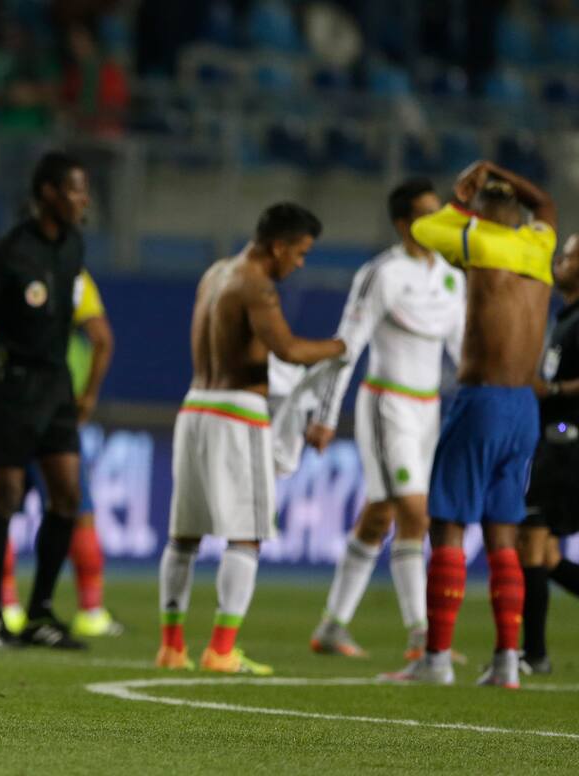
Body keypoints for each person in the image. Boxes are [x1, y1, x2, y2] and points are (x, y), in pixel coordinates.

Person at [381, 160, 556, 689]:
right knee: (503, 531)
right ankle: (507, 661)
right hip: (525, 408)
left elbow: (421, 229)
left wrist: (461, 199)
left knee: (448, 525)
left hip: (481, 402)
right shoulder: (540, 248)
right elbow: (545, 203)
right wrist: (499, 172)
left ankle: (436, 660)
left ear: (482, 215)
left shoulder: (478, 243)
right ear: (521, 214)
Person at [157, 203, 345, 675]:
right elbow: (290, 350)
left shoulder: (216, 274)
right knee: (247, 537)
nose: (299, 263)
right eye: (299, 253)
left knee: (184, 536)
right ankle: (221, 650)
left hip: (195, 407)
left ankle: (172, 646)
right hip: (237, 416)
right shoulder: (256, 285)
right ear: (277, 246)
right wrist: (341, 347)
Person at [305, 178, 466, 660]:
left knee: (379, 515)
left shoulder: (452, 279)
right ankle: (422, 636)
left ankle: (332, 626)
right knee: (416, 512)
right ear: (403, 223)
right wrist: (326, 416)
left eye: (440, 213)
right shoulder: (382, 275)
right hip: (387, 405)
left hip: (429, 409)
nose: (437, 222)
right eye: (426, 214)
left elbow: (462, 353)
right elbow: (345, 348)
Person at [0, 151, 98, 650]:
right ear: (50, 193)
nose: (84, 200)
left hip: (55, 384)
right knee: (6, 497)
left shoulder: (74, 245)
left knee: (68, 498)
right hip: (9, 384)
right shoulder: (9, 250)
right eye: (76, 190)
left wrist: (85, 390)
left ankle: (41, 614)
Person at [0, 265, 117, 637]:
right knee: (73, 509)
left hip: (0, 410)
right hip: (50, 413)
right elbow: (103, 338)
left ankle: (8, 606)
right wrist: (89, 395)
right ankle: (89, 611)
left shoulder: (1, 273)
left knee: (3, 506)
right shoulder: (70, 279)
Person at [519, 233, 579, 675]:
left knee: (532, 542)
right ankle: (533, 654)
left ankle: (534, 654)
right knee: (548, 556)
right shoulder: (566, 317)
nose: (561, 260)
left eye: (571, 255)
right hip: (555, 441)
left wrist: (552, 389)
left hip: (566, 444)